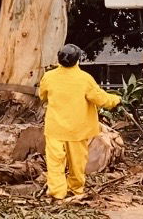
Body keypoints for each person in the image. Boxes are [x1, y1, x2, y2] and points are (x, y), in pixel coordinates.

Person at [38, 43, 122, 200]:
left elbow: (42, 95)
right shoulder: (85, 79)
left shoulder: (48, 77)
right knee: (77, 163)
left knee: (55, 163)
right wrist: (116, 100)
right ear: (78, 60)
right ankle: (76, 190)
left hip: (55, 128)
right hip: (78, 130)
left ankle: (58, 193)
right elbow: (101, 99)